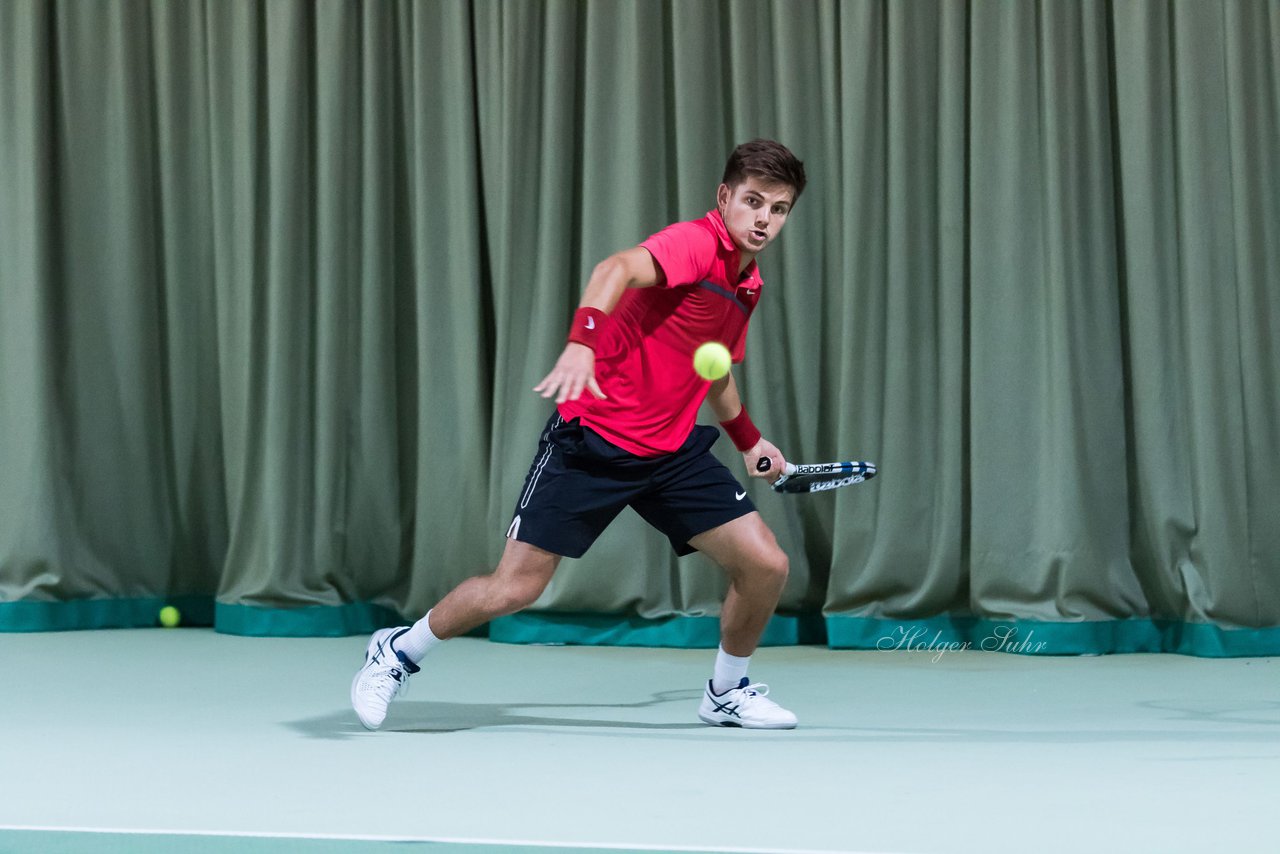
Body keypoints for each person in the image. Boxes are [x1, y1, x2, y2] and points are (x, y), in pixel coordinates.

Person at [352, 139, 807, 730]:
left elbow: (712, 366)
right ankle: (398, 651)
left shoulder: (747, 284)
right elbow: (614, 269)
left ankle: (726, 692)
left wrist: (749, 440)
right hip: (592, 442)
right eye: (753, 202)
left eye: (778, 209)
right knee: (514, 589)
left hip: (669, 451)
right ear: (724, 198)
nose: (764, 219)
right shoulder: (696, 243)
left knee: (765, 565)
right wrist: (581, 343)